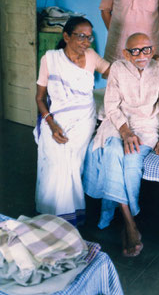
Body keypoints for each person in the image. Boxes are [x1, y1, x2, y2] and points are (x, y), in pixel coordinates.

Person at [83, 33, 159, 257]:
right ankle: (130, 223)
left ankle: (122, 216)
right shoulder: (117, 68)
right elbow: (111, 106)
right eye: (134, 50)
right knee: (113, 150)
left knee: (132, 160)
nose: (141, 55)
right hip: (119, 123)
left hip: (147, 126)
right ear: (126, 53)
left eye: (146, 49)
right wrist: (125, 131)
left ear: (152, 50)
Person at [34, 16, 110, 226]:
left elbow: (115, 73)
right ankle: (49, 213)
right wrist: (51, 123)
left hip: (84, 119)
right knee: (53, 160)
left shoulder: (92, 56)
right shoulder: (50, 59)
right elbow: (40, 98)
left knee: (71, 164)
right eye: (81, 37)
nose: (86, 42)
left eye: (90, 37)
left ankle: (68, 218)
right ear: (66, 36)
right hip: (55, 119)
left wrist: (140, 59)